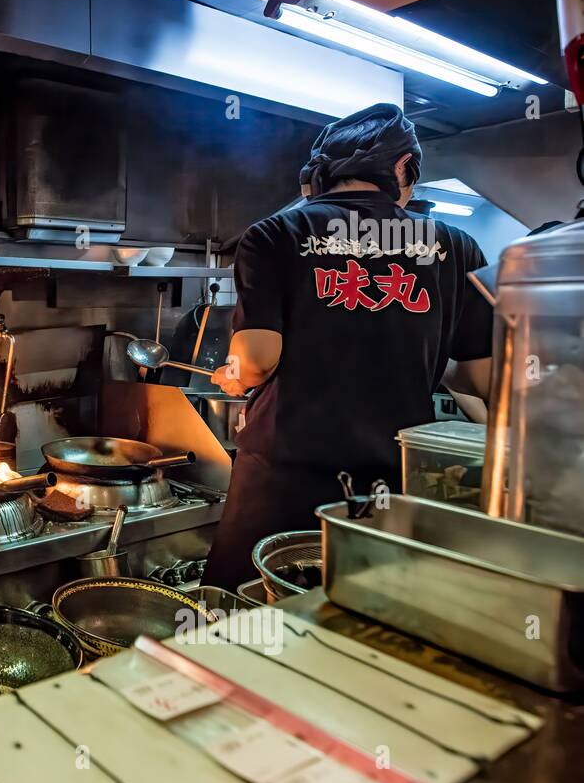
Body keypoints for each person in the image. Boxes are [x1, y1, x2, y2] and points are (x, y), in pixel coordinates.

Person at [203, 103, 494, 591]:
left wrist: (234, 374)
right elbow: (479, 378)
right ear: (403, 169)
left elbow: (255, 360)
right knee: (361, 614)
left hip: (286, 477)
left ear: (317, 177)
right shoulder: (454, 245)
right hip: (389, 480)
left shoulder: (276, 233)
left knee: (247, 611)